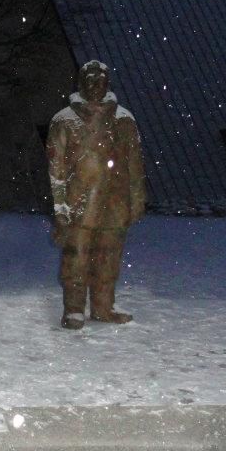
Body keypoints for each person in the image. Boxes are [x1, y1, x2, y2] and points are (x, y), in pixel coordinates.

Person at [46, 60, 146, 329]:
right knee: (76, 257)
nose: (95, 85)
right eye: (90, 80)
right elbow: (56, 170)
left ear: (107, 83)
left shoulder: (124, 119)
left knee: (108, 257)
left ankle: (103, 307)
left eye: (100, 80)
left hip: (114, 201)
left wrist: (136, 199)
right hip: (79, 201)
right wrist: (60, 206)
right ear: (81, 83)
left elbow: (135, 165)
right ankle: (74, 309)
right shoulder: (64, 120)